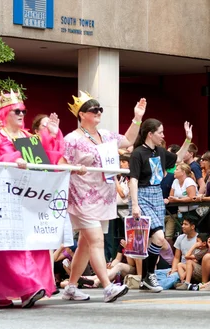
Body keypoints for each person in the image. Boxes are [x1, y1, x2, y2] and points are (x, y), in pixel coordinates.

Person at [0, 89, 64, 308]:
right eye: (16, 111)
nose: (21, 115)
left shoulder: (28, 137)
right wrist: (13, 157)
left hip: (29, 198)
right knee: (8, 248)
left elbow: (48, 162)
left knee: (31, 242)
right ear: (5, 113)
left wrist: (51, 136)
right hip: (4, 200)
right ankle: (3, 291)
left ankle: (30, 289)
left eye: (22, 111)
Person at [59, 91, 146, 303]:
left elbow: (127, 140)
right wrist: (73, 168)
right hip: (82, 197)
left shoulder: (106, 135)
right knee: (96, 240)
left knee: (86, 245)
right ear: (81, 114)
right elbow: (60, 163)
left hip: (104, 197)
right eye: (93, 109)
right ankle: (107, 287)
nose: (98, 112)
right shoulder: (72, 138)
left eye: (99, 109)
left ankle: (71, 287)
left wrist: (137, 118)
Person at [129, 119, 194, 292]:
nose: (163, 136)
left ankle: (145, 278)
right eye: (160, 132)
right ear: (150, 134)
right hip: (142, 195)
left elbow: (178, 158)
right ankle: (150, 274)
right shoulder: (137, 153)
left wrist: (187, 139)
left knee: (154, 240)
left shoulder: (160, 151)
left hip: (157, 194)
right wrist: (135, 204)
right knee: (158, 238)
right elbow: (133, 180)